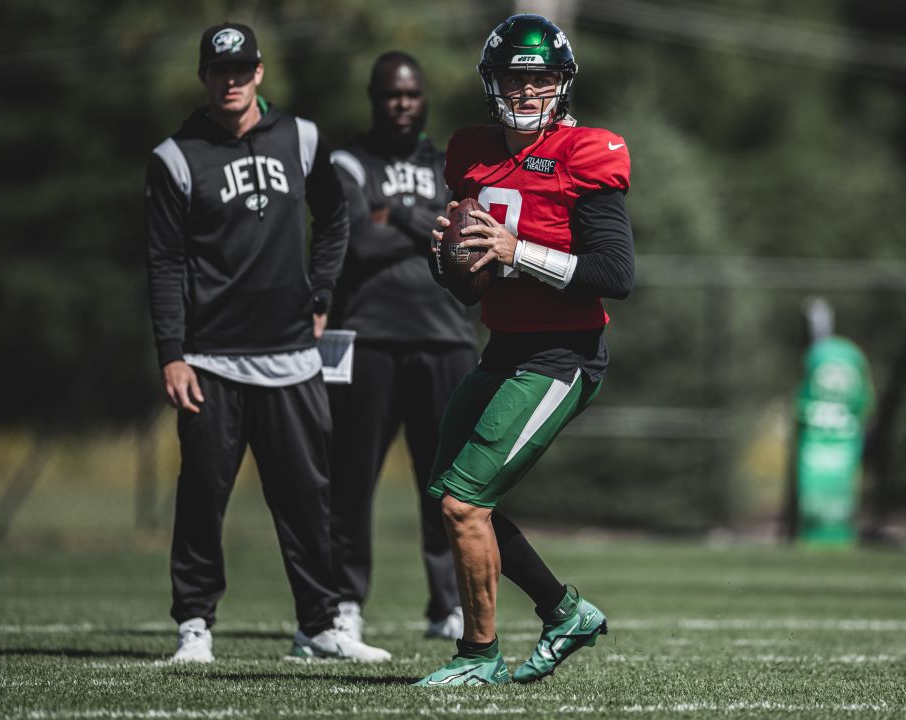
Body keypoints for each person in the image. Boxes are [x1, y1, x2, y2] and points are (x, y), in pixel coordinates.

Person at [144, 22, 390, 664]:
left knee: (310, 498)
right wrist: (171, 351)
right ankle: (194, 625)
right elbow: (164, 262)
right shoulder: (175, 157)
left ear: (258, 75)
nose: (230, 81)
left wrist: (322, 295)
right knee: (202, 497)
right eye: (218, 70)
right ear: (204, 76)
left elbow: (337, 216)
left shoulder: (302, 138)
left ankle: (319, 625)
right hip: (209, 360)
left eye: (241, 69)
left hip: (291, 358)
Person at [413, 14, 635, 686]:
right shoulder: (472, 154)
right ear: (494, 82)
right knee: (450, 493)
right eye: (516, 76)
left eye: (541, 78)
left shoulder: (587, 153)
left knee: (463, 502)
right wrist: (449, 263)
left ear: (562, 84)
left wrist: (519, 251)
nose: (528, 90)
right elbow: (468, 290)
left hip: (563, 355)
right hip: (504, 347)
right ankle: (564, 613)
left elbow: (616, 275)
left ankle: (479, 657)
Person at [326, 52, 475, 641]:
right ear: (374, 96)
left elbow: (468, 234)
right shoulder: (346, 160)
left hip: (446, 339)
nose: (403, 104)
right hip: (367, 340)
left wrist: (400, 215)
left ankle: (448, 607)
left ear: (424, 99)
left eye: (412, 94)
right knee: (350, 479)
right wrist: (431, 225)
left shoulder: (451, 163)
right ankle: (343, 604)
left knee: (445, 484)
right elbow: (358, 240)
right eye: (392, 94)